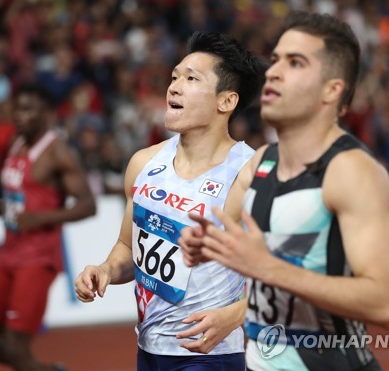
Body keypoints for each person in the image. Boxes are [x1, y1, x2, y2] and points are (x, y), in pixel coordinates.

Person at [180, 12, 389, 370]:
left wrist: (269, 267)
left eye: (296, 63)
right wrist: (207, 245)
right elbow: (232, 240)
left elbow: (386, 304)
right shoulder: (261, 162)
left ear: (332, 90)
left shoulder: (351, 171)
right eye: (278, 58)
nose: (275, 72)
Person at [74, 31, 268, 370]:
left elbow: (286, 271)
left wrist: (235, 316)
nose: (174, 87)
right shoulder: (143, 163)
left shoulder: (248, 174)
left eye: (192, 79)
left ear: (226, 101)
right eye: (175, 76)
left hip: (210, 356)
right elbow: (126, 247)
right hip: (149, 350)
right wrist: (105, 269)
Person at [0, 83, 97, 371]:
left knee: (15, 347)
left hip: (37, 258)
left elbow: (89, 205)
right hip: (8, 253)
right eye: (17, 109)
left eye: (27, 109)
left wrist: (41, 218)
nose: (18, 115)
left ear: (46, 114)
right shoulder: (16, 142)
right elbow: (19, 199)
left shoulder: (57, 152)